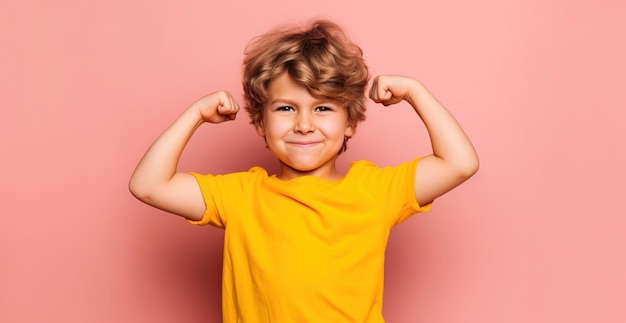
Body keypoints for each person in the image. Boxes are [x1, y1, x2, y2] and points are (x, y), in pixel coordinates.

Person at [129, 19, 479, 323]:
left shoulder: (375, 190)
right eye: (286, 108)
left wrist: (415, 92)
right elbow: (149, 185)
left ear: (350, 123)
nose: (304, 124)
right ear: (261, 124)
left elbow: (459, 163)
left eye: (323, 107)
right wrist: (196, 115)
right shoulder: (240, 195)